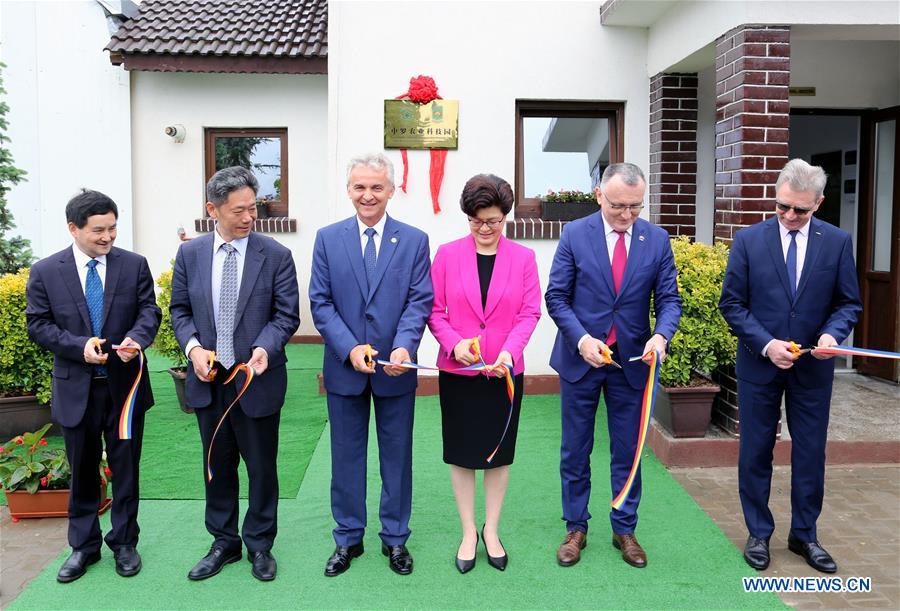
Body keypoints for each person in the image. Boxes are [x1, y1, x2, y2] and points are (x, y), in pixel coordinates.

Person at [719, 158, 862, 574]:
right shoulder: (748, 240)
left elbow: (848, 302)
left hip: (813, 369)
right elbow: (732, 304)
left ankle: (805, 535)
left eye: (800, 209)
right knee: (756, 450)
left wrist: (833, 335)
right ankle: (758, 533)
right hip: (760, 365)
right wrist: (766, 345)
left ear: (818, 203)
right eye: (782, 206)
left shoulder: (836, 242)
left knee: (811, 452)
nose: (789, 216)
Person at [545, 163, 681, 569]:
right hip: (581, 358)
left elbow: (670, 300)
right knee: (576, 448)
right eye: (619, 205)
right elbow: (556, 297)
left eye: (635, 207)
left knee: (629, 449)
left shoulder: (655, 239)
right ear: (599, 194)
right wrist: (583, 340)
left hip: (633, 361)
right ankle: (576, 527)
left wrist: (662, 335)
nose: (626, 215)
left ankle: (624, 527)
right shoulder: (574, 234)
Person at [169, 166, 300, 582]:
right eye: (239, 210)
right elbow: (179, 311)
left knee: (261, 467)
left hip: (256, 380)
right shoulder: (190, 254)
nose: (248, 218)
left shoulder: (276, 255)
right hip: (208, 383)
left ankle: (260, 544)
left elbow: (286, 315)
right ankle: (224, 541)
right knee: (217, 464)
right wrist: (192, 350)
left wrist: (263, 348)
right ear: (213, 209)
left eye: (253, 209)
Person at [26, 190, 161, 583]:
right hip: (75, 388)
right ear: (74, 228)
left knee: (126, 470)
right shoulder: (47, 271)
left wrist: (137, 338)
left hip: (125, 388)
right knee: (83, 470)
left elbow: (148, 310)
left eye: (113, 228)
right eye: (98, 230)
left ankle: (124, 543)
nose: (107, 237)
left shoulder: (133, 265)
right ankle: (83, 547)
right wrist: (79, 347)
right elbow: (38, 324)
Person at [309, 153, 433, 577]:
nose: (368, 195)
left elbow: (420, 299)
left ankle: (395, 539)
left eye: (376, 187)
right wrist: (348, 348)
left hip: (396, 369)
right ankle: (347, 538)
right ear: (349, 190)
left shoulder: (414, 240)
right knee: (346, 456)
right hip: (345, 369)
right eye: (360, 187)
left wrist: (404, 347)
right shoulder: (327, 238)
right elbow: (320, 303)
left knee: (397, 457)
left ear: (391, 190)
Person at [427, 174, 541, 573]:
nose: (485, 229)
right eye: (477, 221)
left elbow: (530, 313)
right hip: (459, 372)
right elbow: (433, 310)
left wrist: (510, 353)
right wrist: (454, 343)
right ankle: (468, 531)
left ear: (505, 216)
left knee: (499, 454)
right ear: (468, 218)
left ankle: (492, 529)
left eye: (493, 220)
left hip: (504, 372)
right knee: (461, 453)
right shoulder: (446, 254)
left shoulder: (524, 259)